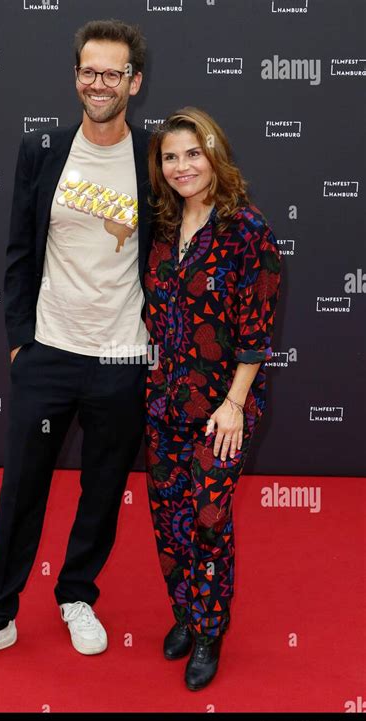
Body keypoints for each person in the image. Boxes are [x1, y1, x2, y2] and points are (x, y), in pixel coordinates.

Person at [0, 19, 154, 672]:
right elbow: (19, 253)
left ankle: (77, 594)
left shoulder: (156, 158)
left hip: (124, 358)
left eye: (113, 72)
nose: (100, 82)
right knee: (21, 491)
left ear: (134, 83)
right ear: (76, 76)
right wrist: (17, 344)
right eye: (90, 70)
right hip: (49, 355)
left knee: (102, 486)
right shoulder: (43, 151)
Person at [144, 107, 282, 690]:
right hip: (162, 401)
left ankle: (208, 629)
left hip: (223, 407)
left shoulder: (248, 230)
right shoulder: (162, 226)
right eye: (170, 157)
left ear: (214, 154)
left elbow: (257, 330)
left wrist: (233, 404)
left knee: (209, 518)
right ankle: (183, 611)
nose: (182, 166)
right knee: (168, 515)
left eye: (192, 153)